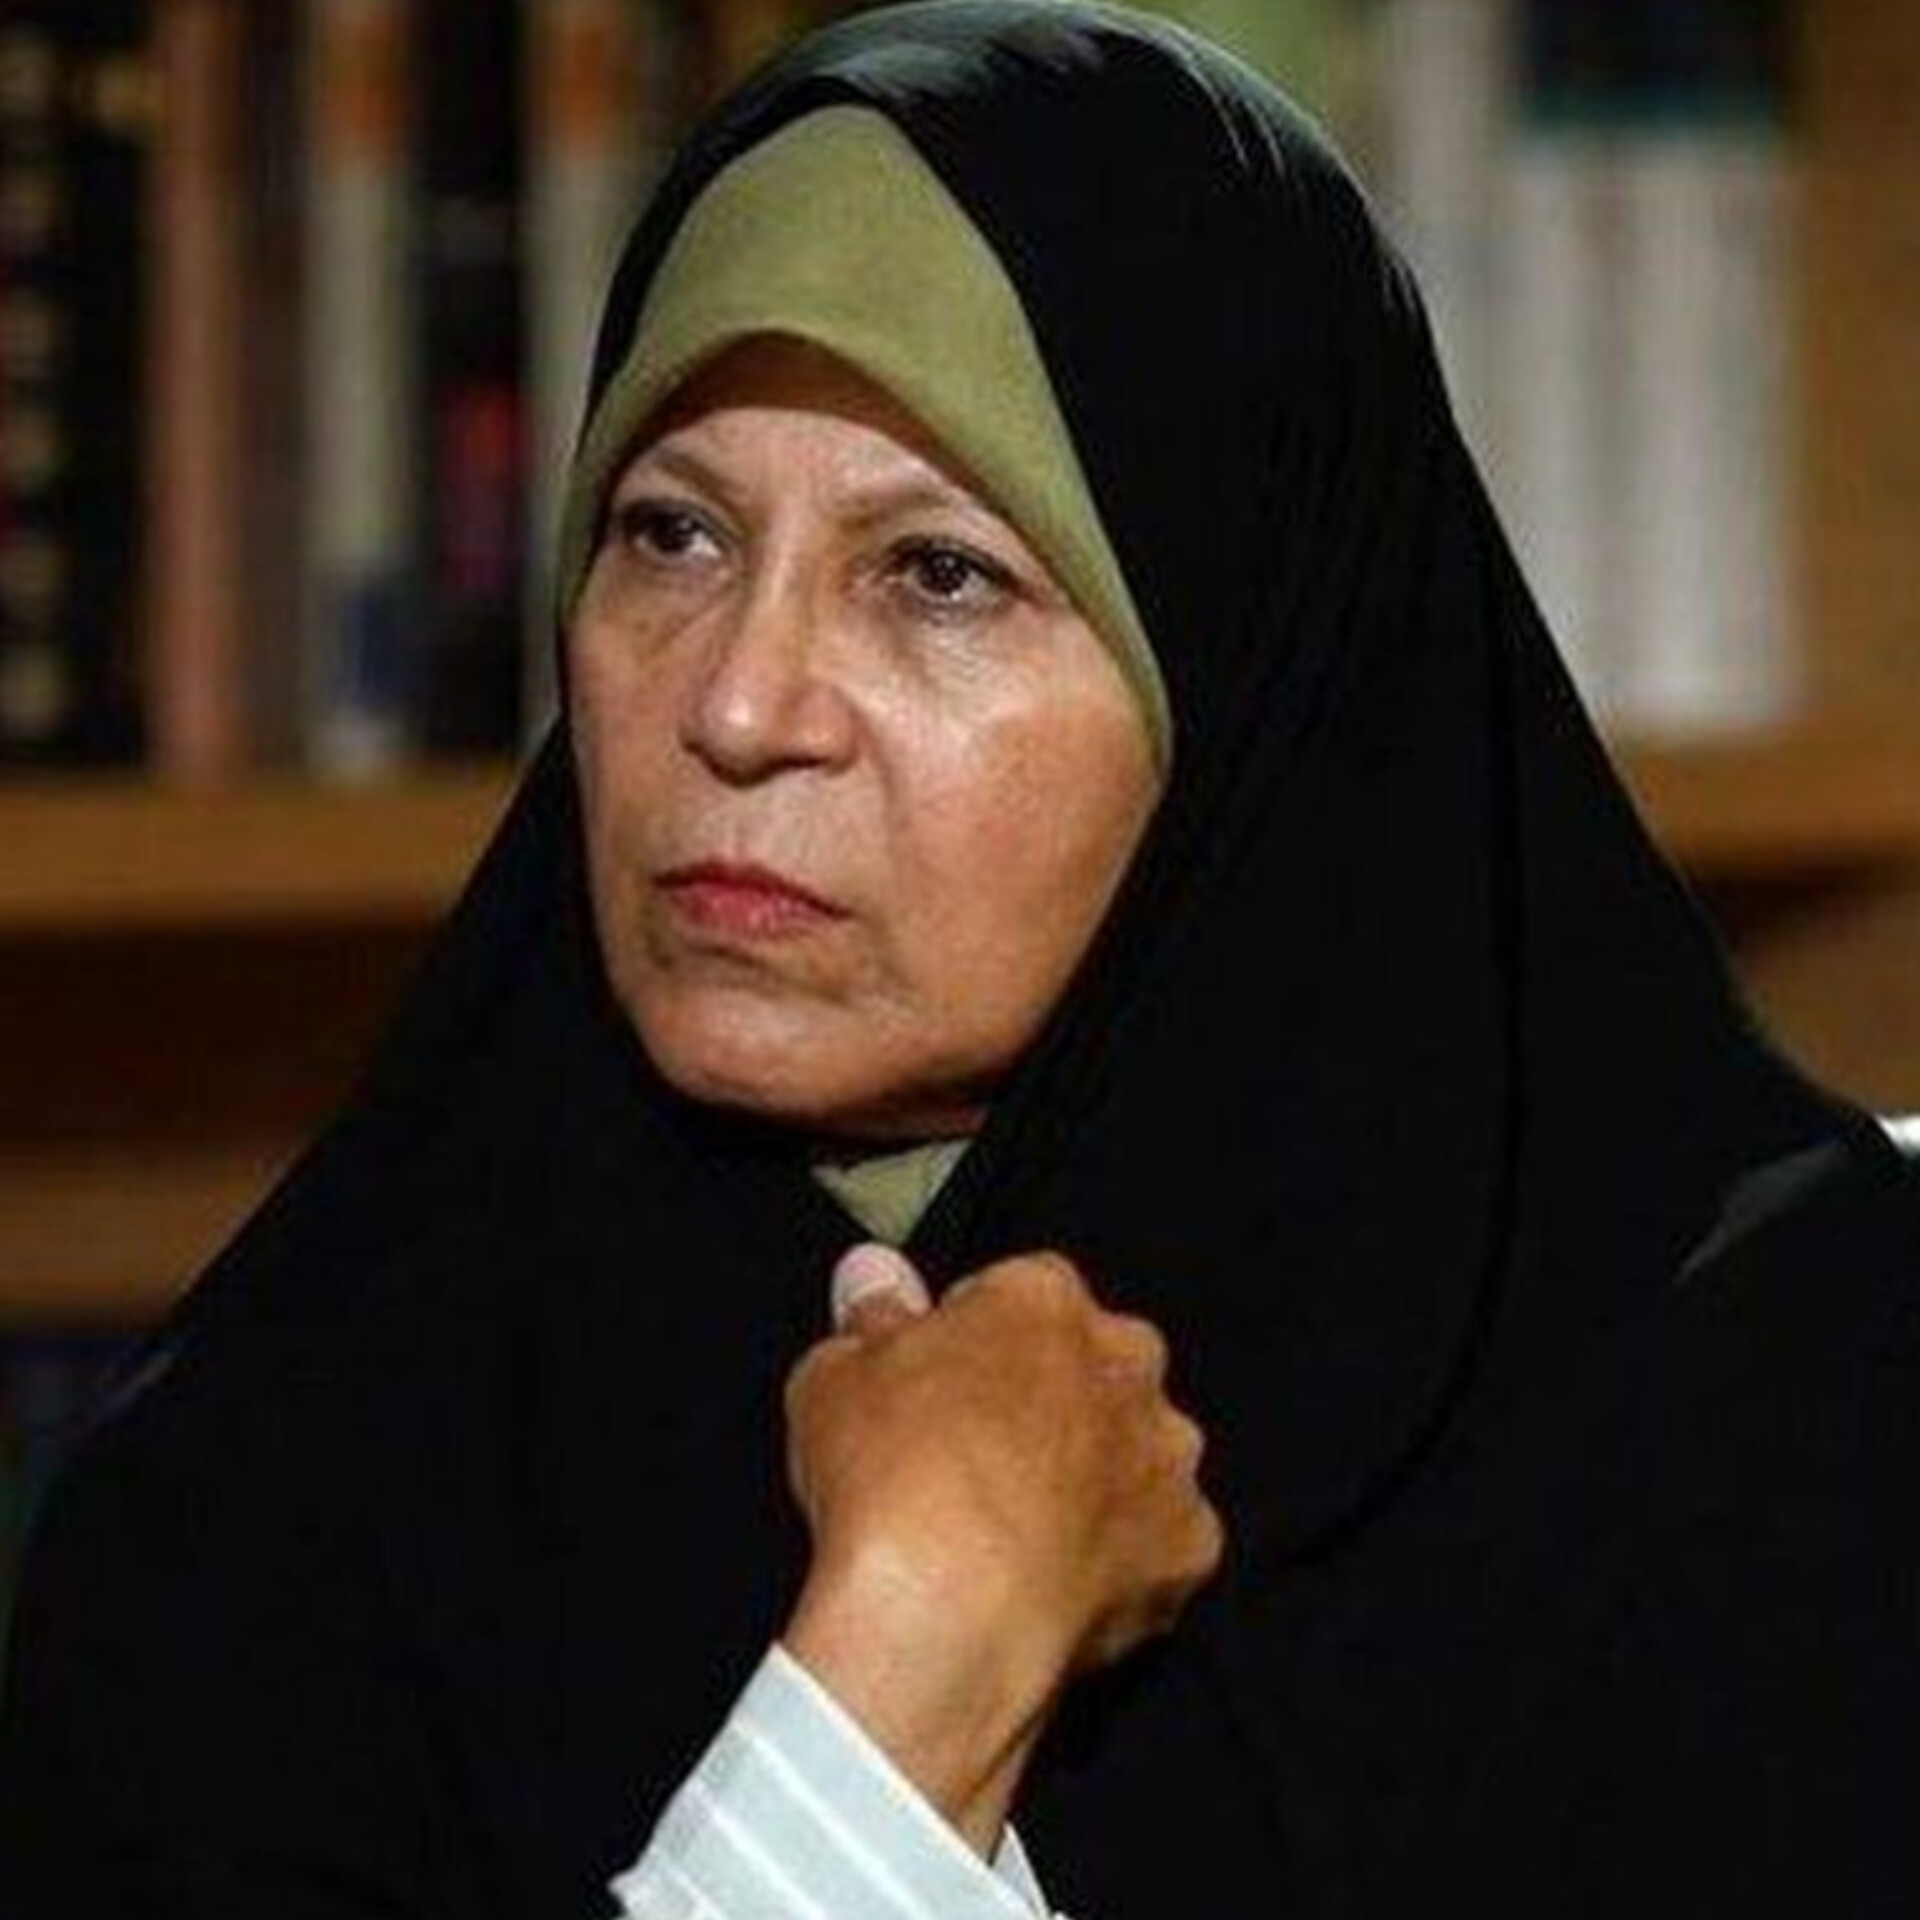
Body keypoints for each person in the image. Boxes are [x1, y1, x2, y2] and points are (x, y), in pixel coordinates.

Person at [3, 2, 1918, 1915]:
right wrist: (904, 1683)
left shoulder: (1799, 1409)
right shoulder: (267, 1501)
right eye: (671, 536)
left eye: (937, 575)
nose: (739, 706)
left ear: (1256, 685)